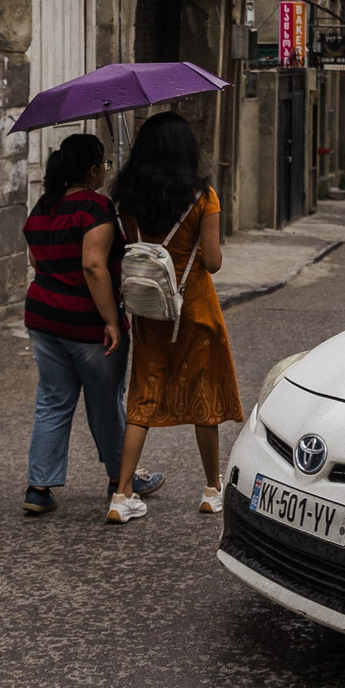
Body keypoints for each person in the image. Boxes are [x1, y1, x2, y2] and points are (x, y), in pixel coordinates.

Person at [108, 111, 244, 522]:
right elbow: (214, 262)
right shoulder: (204, 197)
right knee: (204, 399)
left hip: (150, 312)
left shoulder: (128, 198)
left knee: (143, 396)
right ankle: (210, 489)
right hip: (196, 311)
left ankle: (121, 493)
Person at [20, 132, 160, 515]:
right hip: (85, 323)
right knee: (106, 402)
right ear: (92, 169)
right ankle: (122, 479)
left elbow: (38, 263)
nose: (105, 172)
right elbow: (93, 265)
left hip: (44, 318)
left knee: (52, 401)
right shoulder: (95, 208)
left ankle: (38, 487)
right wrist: (111, 320)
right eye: (104, 166)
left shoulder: (42, 208)